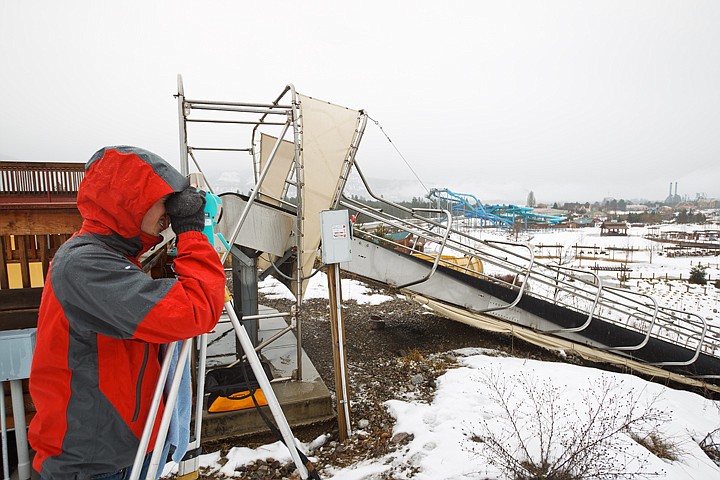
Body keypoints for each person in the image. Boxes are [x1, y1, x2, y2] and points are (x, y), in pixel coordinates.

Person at [28, 146, 227, 479]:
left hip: (122, 449)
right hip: (93, 461)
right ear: (129, 201)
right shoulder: (86, 267)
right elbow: (197, 309)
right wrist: (191, 232)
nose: (170, 212)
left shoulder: (112, 257)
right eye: (163, 199)